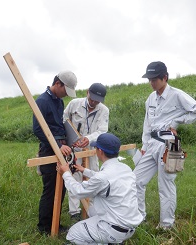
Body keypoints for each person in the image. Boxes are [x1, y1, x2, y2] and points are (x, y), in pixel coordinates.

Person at [134, 61, 196, 229]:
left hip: (168, 144)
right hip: (151, 143)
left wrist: (177, 121)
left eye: (154, 79)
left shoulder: (177, 94)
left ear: (164, 77)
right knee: (135, 180)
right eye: (149, 79)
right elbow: (147, 123)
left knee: (165, 184)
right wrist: (144, 147)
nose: (151, 83)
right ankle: (139, 216)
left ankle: (166, 225)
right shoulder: (150, 98)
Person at [57, 133, 143, 244]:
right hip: (129, 226)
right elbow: (106, 180)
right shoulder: (125, 168)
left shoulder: (102, 177)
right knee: (92, 210)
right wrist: (85, 171)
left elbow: (78, 191)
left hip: (114, 230)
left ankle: (108, 241)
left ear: (100, 151)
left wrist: (66, 173)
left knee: (73, 234)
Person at [33, 70, 77, 235]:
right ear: (58, 84)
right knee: (51, 189)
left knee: (62, 187)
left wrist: (71, 139)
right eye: (66, 91)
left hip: (63, 148)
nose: (66, 95)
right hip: (50, 150)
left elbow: (58, 125)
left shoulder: (59, 102)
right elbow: (38, 130)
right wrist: (57, 146)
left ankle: (55, 224)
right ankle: (44, 228)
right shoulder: (42, 101)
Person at [63, 83, 109, 220]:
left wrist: (88, 139)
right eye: (92, 98)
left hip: (92, 149)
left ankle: (92, 210)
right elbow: (64, 120)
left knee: (93, 176)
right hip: (74, 148)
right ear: (87, 92)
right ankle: (74, 212)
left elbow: (102, 130)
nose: (93, 102)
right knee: (74, 175)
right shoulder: (74, 104)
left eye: (97, 101)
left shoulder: (103, 110)